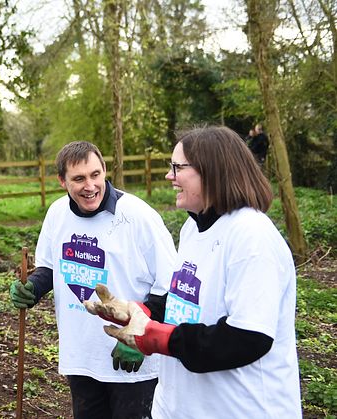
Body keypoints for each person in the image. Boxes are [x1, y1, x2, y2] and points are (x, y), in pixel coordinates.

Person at [85, 125, 301, 418]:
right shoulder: (192, 228)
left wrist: (159, 338)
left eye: (177, 167)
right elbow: (186, 303)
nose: (169, 176)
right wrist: (141, 313)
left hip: (241, 409)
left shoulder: (252, 236)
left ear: (211, 171)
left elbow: (249, 338)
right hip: (178, 408)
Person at [9, 141, 177, 418]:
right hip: (81, 356)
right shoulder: (57, 214)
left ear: (104, 170)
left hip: (131, 361)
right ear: (62, 181)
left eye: (95, 175)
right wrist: (33, 287)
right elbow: (50, 268)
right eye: (79, 179)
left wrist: (139, 334)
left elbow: (170, 286)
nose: (90, 186)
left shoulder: (139, 216)